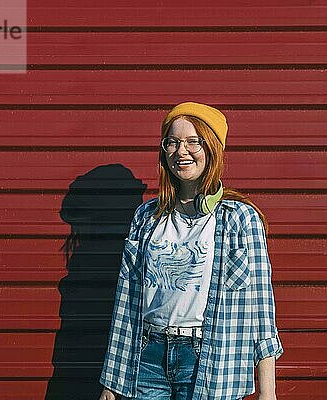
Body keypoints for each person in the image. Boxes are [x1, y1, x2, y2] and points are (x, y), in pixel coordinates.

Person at [98, 101, 284, 400]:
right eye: (172, 142)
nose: (181, 151)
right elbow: (127, 301)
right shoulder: (147, 217)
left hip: (208, 360)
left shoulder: (239, 218)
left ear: (212, 149)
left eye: (193, 142)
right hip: (146, 357)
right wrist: (112, 381)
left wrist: (268, 393)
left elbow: (260, 310)